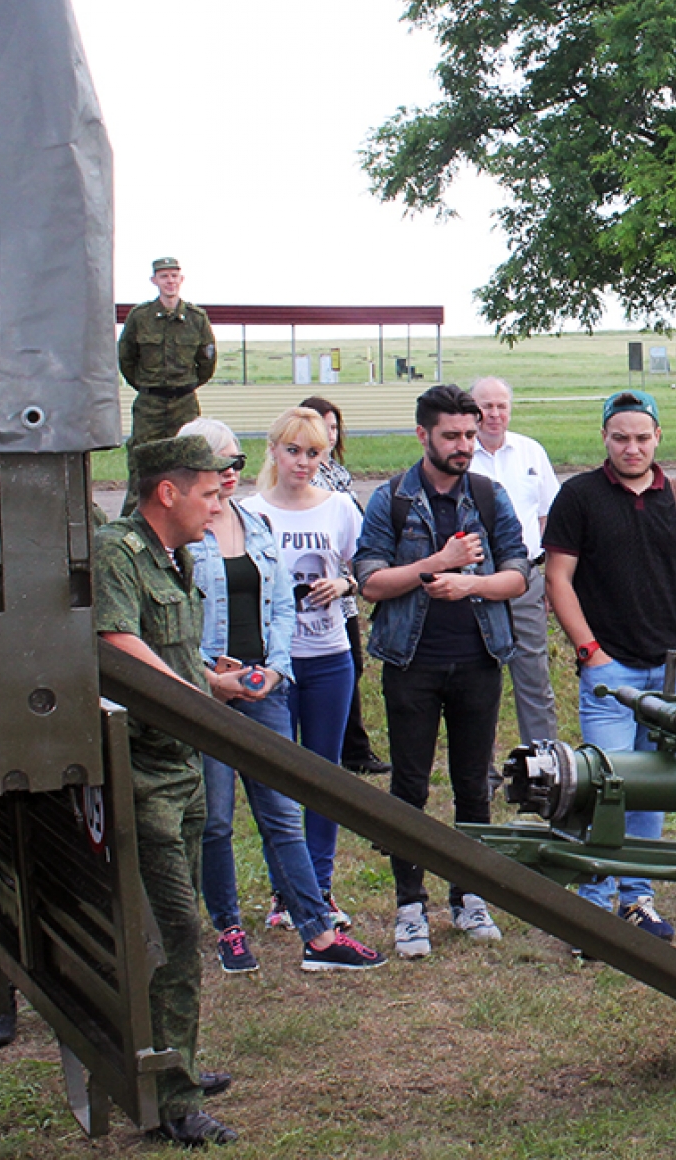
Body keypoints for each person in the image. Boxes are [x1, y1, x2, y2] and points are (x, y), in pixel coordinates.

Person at [178, 418, 384, 972]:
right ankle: (229, 929)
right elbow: (166, 623)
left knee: (282, 812)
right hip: (207, 694)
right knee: (216, 819)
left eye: (234, 465)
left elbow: (280, 608)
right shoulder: (176, 535)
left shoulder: (255, 521)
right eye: (217, 464)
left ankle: (317, 933)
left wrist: (275, 668)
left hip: (263, 686)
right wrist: (207, 677)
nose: (228, 475)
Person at [94, 435, 240, 1146]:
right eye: (211, 493)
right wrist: (195, 699)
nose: (219, 506)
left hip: (181, 767)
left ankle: (171, 1060)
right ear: (168, 492)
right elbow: (117, 640)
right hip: (144, 774)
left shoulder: (173, 557)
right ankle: (171, 1099)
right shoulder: (118, 552)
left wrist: (213, 682)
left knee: (176, 932)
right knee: (175, 931)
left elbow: (166, 646)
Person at [354, 385, 530, 958]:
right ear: (422, 434)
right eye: (452, 435)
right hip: (412, 664)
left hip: (478, 659)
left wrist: (471, 583)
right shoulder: (393, 499)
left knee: (473, 785)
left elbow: (518, 575)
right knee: (409, 787)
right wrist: (438, 564)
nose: (464, 446)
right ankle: (411, 905)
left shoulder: (488, 494)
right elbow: (372, 581)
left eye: (470, 435)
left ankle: (469, 896)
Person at [543, 390, 676, 942]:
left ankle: (637, 899)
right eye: (620, 438)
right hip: (609, 672)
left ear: (658, 437)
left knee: (652, 787)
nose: (631, 448)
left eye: (641, 438)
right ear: (605, 439)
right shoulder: (578, 496)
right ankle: (592, 902)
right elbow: (558, 579)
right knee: (606, 784)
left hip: (669, 669)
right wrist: (591, 651)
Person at [244, 409, 367, 933]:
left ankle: (320, 886)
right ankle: (284, 892)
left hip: (329, 657)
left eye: (313, 453)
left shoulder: (339, 507)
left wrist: (343, 586)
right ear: (273, 451)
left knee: (323, 775)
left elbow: (366, 567)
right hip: (275, 664)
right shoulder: (248, 510)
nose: (302, 462)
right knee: (277, 779)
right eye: (293, 450)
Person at [299, 396, 390, 779]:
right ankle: (341, 750)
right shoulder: (311, 477)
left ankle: (352, 748)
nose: (331, 436)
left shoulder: (338, 474)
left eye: (335, 428)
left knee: (350, 670)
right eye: (323, 428)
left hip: (345, 592)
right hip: (316, 593)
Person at [469, 376, 562, 747]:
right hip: (473, 579)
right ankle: (480, 771)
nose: (493, 414)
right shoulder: (460, 457)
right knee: (476, 680)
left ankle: (543, 762)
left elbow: (548, 518)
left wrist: (552, 580)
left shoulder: (530, 452)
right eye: (485, 406)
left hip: (525, 578)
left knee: (533, 673)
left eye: (500, 406)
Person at [117, 257, 217, 515]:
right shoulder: (140, 317)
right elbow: (127, 359)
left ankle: (190, 520)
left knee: (189, 464)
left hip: (184, 402)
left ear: (181, 280)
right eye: (164, 276)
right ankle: (133, 524)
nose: (170, 281)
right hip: (150, 405)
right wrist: (148, 386)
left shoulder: (196, 318)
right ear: (155, 281)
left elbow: (206, 362)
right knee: (142, 464)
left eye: (174, 276)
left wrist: (185, 386)